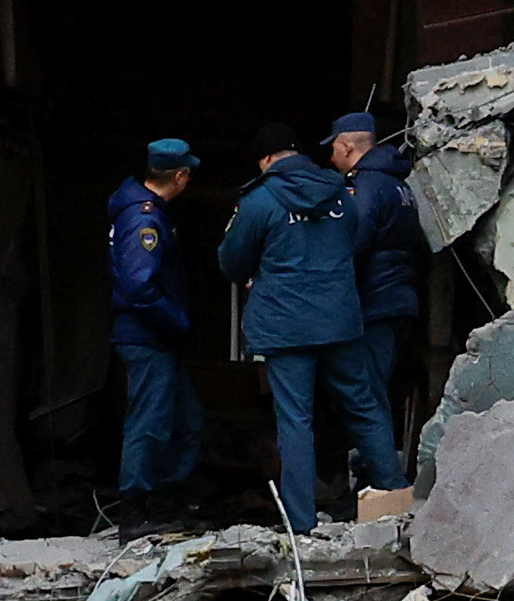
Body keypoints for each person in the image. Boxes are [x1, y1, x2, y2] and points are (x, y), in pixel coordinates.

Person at [217, 129, 406, 530]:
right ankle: (396, 500)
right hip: (339, 320)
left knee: (295, 420)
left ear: (265, 160)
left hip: (286, 326)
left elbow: (232, 261)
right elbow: (352, 240)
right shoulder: (339, 193)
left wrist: (262, 272)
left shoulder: (259, 200)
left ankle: (301, 523)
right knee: (365, 407)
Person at [102, 138, 203, 528]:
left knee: (185, 422)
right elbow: (139, 286)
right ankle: (135, 513)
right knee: (149, 425)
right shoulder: (144, 220)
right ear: (179, 176)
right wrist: (177, 321)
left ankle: (165, 505)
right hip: (148, 337)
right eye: (188, 175)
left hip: (157, 337)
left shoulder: (147, 213)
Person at [329, 110, 423, 498]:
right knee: (377, 392)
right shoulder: (400, 186)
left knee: (365, 398)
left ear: (346, 146)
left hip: (374, 302)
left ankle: (390, 487)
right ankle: (371, 479)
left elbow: (354, 242)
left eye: (333, 148)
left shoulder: (365, 187)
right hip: (400, 300)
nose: (331, 157)